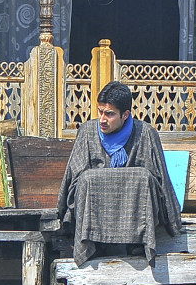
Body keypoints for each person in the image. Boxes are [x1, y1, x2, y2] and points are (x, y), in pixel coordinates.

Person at [58, 81, 182, 266]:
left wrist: (173, 221)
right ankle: (93, 243)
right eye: (100, 112)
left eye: (109, 114)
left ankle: (136, 243)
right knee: (87, 180)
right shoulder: (87, 132)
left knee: (143, 179)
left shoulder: (146, 134)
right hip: (95, 212)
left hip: (135, 213)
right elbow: (73, 180)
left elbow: (160, 181)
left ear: (125, 115)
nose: (102, 119)